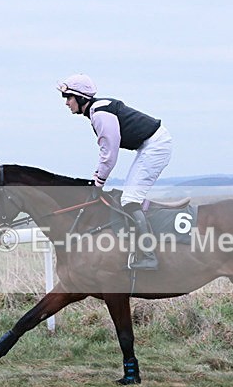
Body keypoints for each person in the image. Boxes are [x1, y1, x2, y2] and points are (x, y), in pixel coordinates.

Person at [58, 74, 172, 270]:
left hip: (155, 146)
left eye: (69, 98)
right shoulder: (98, 109)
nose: (67, 103)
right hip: (150, 145)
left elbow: (109, 153)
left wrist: (98, 182)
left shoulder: (100, 114)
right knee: (129, 197)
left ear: (81, 97)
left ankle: (148, 255)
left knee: (129, 199)